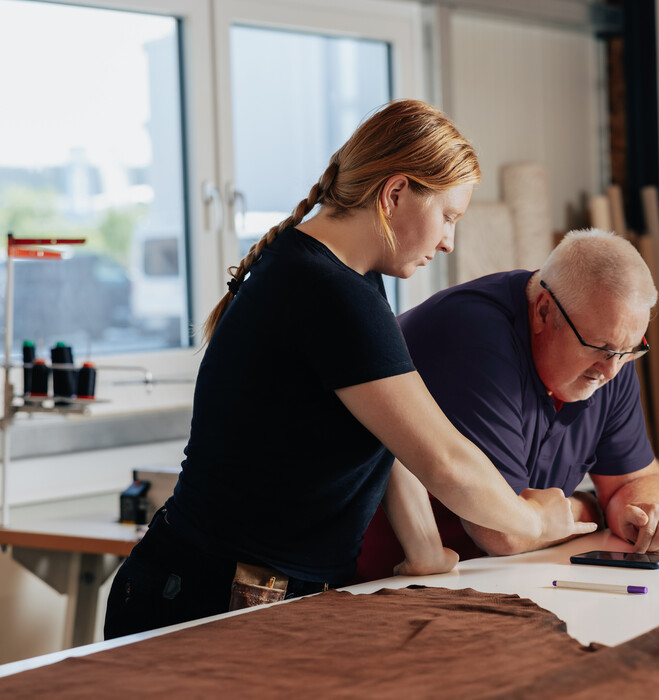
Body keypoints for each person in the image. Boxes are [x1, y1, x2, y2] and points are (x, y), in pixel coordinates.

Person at [104, 99, 595, 639]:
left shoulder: (345, 279)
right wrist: (536, 521)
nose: (448, 242)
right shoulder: (328, 291)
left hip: (224, 585)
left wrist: (426, 550)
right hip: (211, 595)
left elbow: (395, 437)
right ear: (395, 194)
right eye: (448, 217)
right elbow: (446, 462)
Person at [355, 228, 659, 582]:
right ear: (543, 312)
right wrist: (592, 508)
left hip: (479, 576)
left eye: (630, 351)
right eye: (600, 349)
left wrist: (650, 516)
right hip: (375, 583)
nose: (611, 371)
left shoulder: (611, 350)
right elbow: (502, 533)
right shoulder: (474, 338)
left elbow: (636, 479)